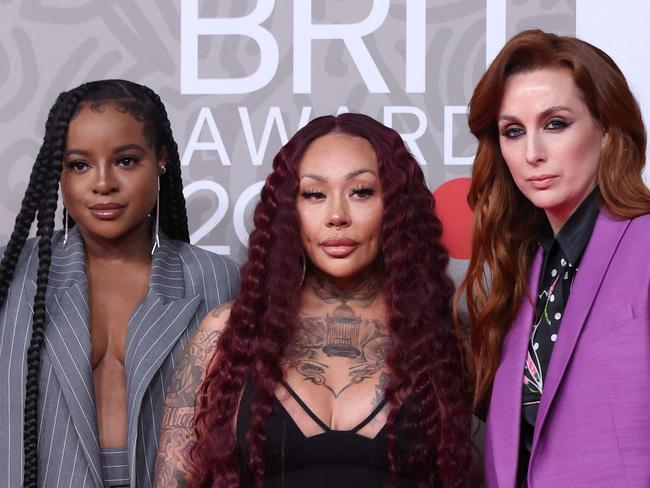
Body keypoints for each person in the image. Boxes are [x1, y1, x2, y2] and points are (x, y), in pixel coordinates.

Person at [153, 113, 472, 488]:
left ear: (396, 208)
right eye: (314, 194)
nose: (337, 215)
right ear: (290, 211)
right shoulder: (227, 333)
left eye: (361, 192)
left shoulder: (447, 337)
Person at [0, 79, 239, 488]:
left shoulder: (217, 279)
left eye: (126, 161)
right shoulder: (12, 277)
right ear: (57, 172)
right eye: (79, 164)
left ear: (160, 159)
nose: (103, 183)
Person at [461, 29, 650, 487]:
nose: (532, 154)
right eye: (513, 131)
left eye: (555, 124)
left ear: (607, 130)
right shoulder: (518, 268)